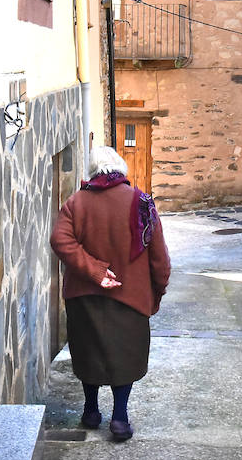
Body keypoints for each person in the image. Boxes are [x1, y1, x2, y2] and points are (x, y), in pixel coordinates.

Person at [50, 146, 171, 441]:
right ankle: (119, 418)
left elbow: (59, 240)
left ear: (92, 171)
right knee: (124, 356)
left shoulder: (76, 203)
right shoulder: (142, 203)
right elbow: (160, 259)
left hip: (83, 297)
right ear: (121, 170)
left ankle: (90, 411)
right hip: (130, 297)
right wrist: (158, 287)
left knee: (88, 353)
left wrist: (93, 270)